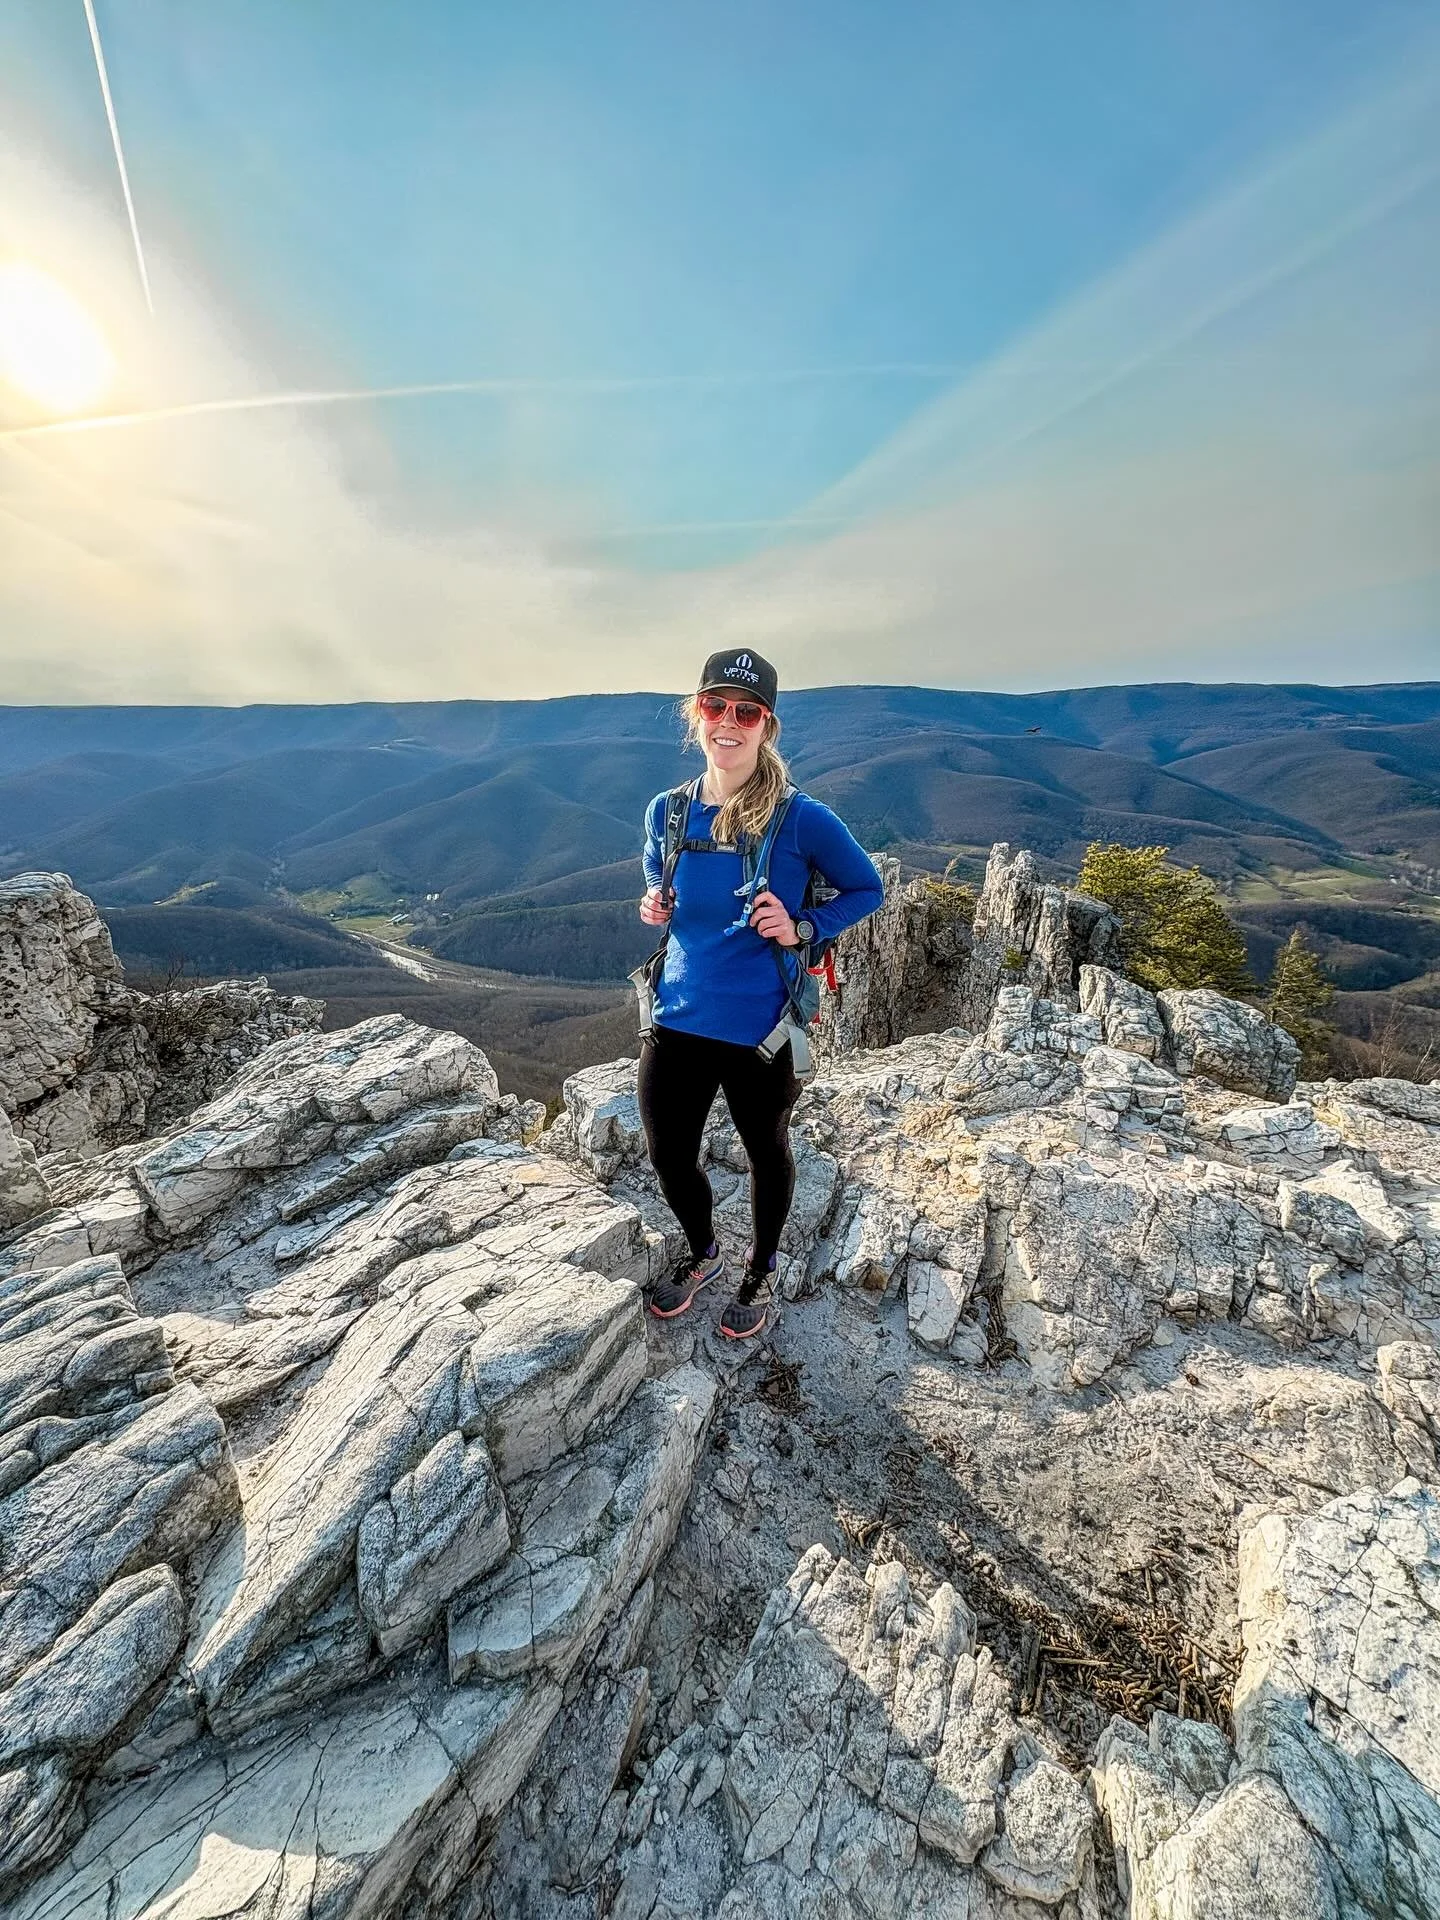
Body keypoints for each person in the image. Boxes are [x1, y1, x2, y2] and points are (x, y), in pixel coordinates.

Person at [638, 648, 884, 1339]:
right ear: (696, 715)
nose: (728, 722)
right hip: (680, 1018)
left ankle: (763, 1267)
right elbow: (659, 885)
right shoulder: (667, 812)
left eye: (746, 712)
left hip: (761, 1029)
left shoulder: (803, 820)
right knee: (666, 1154)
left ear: (766, 727)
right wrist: (653, 907)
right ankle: (705, 1251)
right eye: (715, 706)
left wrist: (804, 923)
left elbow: (869, 889)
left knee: (766, 1151)